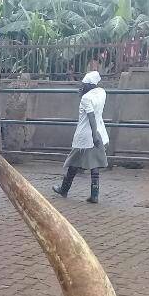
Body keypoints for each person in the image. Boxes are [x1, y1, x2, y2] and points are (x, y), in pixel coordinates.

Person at [53, 71, 109, 204]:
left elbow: (91, 116)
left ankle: (64, 189)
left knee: (73, 163)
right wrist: (96, 135)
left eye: (84, 85)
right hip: (99, 132)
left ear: (89, 86)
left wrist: (93, 135)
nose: (81, 87)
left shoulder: (86, 98)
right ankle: (94, 194)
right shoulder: (102, 93)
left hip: (86, 135)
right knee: (93, 164)